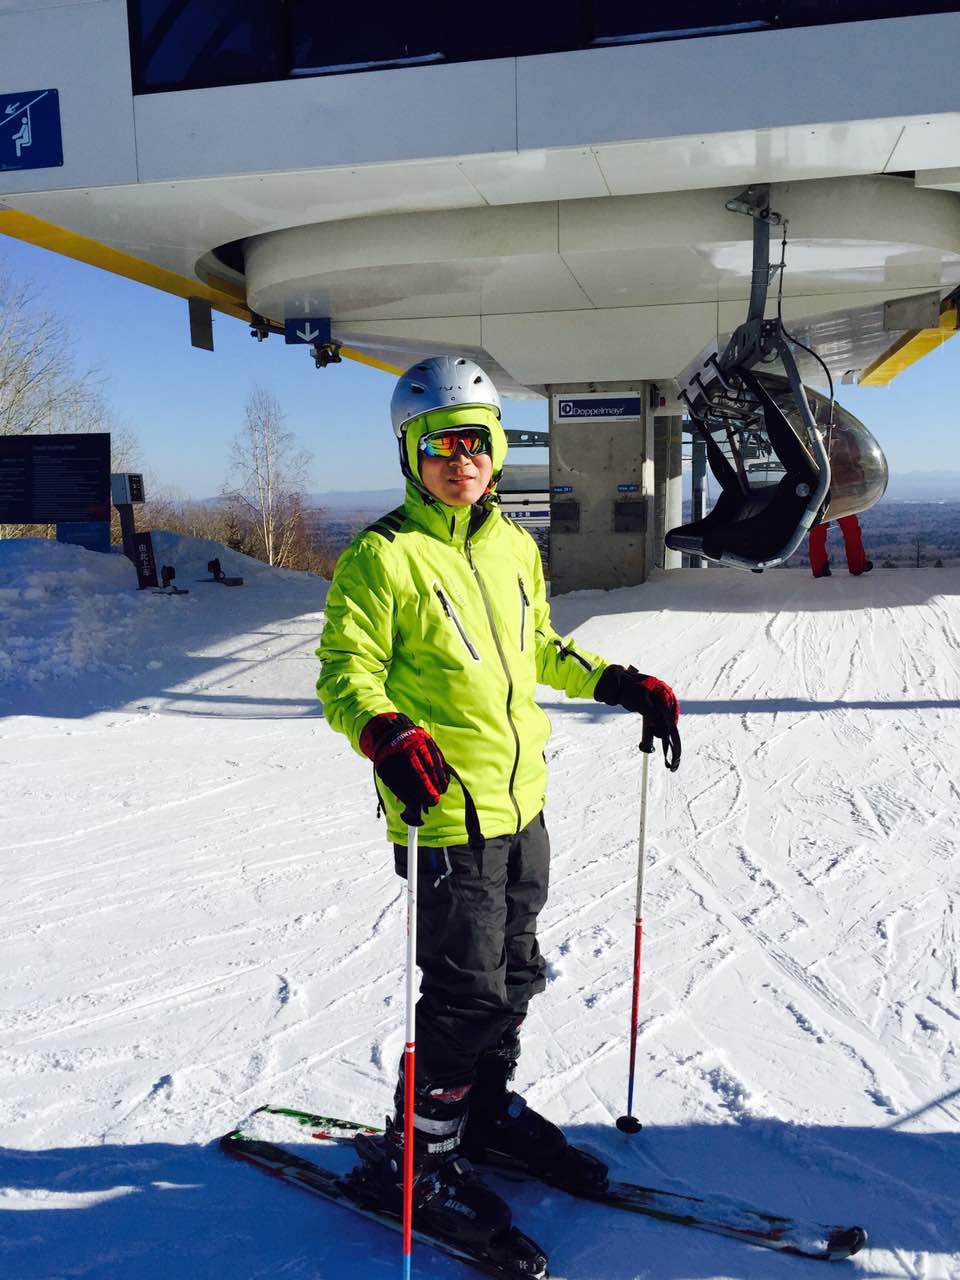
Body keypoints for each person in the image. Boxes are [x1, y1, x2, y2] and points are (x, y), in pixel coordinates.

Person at [316, 355, 680, 1260]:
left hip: (524, 807)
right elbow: (345, 675)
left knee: (515, 973)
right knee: (465, 993)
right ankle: (421, 1156)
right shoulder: (383, 556)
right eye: (438, 443)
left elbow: (538, 650)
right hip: (444, 815)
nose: (459, 459)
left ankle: (480, 1116)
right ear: (410, 452)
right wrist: (386, 733)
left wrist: (616, 682)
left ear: (495, 451)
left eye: (474, 442)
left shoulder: (513, 545)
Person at [808, 513, 872, 578]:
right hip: (841, 504)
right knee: (851, 529)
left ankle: (819, 569)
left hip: (818, 504)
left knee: (817, 530)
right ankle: (857, 566)